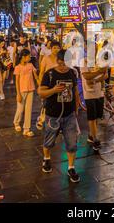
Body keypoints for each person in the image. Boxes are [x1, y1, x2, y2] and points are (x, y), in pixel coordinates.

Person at [38, 50, 81, 183]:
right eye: (61, 64)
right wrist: (53, 90)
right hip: (53, 115)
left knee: (72, 142)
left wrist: (77, 107)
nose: (63, 67)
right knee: (49, 140)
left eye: (66, 64)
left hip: (69, 115)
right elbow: (41, 92)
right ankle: (46, 159)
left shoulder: (72, 73)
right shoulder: (49, 74)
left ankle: (71, 167)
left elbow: (75, 91)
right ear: (57, 61)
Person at [80, 58, 108, 151]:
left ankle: (91, 135)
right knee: (92, 117)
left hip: (99, 92)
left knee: (97, 117)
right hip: (89, 93)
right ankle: (95, 139)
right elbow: (86, 76)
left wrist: (95, 80)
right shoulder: (83, 61)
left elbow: (105, 75)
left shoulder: (99, 61)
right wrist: (99, 72)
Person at [36, 40, 62, 130]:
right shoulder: (46, 58)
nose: (56, 50)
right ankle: (41, 119)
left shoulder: (61, 59)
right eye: (54, 48)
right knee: (46, 103)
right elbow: (42, 72)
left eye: (58, 48)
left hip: (59, 85)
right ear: (51, 49)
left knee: (57, 103)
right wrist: (40, 85)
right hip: (48, 84)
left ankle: (56, 122)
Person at [13, 49, 38, 137]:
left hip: (31, 89)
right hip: (21, 90)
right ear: (23, 57)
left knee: (28, 109)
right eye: (28, 56)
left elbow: (36, 76)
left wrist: (39, 84)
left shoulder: (31, 65)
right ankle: (16, 122)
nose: (30, 58)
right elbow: (16, 81)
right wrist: (18, 94)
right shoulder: (18, 67)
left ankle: (26, 129)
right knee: (20, 109)